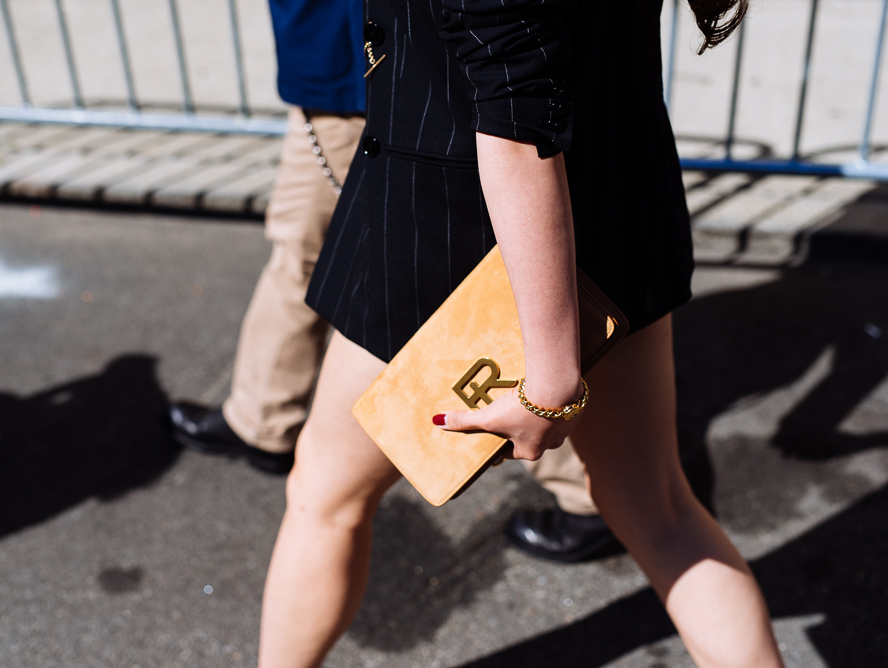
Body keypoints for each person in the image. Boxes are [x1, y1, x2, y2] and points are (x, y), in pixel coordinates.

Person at [256, 0, 786, 665]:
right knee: (663, 515)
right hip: (618, 203)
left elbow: (514, 120)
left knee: (323, 498)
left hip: (451, 243)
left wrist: (551, 380)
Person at [168, 0, 614, 571]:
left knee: (324, 496)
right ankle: (261, 414)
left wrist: (551, 392)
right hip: (364, 67)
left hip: (382, 74)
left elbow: (516, 115)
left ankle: (582, 483)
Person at [167, 0, 366, 473]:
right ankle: (263, 418)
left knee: (478, 276)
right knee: (302, 252)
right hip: (351, 68)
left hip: (357, 70)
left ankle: (572, 482)